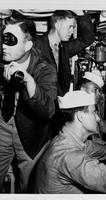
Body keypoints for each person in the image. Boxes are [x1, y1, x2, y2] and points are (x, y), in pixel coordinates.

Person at [0, 19, 57, 192]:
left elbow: (47, 110)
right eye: (3, 39)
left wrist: (28, 80)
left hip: (31, 135)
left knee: (29, 186)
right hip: (3, 124)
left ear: (27, 45)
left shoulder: (45, 69)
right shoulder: (3, 60)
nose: (4, 45)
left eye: (10, 40)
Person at [34, 10, 95, 96]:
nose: (71, 31)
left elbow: (87, 38)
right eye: (69, 27)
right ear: (57, 24)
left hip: (57, 103)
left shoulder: (65, 47)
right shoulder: (36, 46)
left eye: (73, 28)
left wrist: (81, 13)